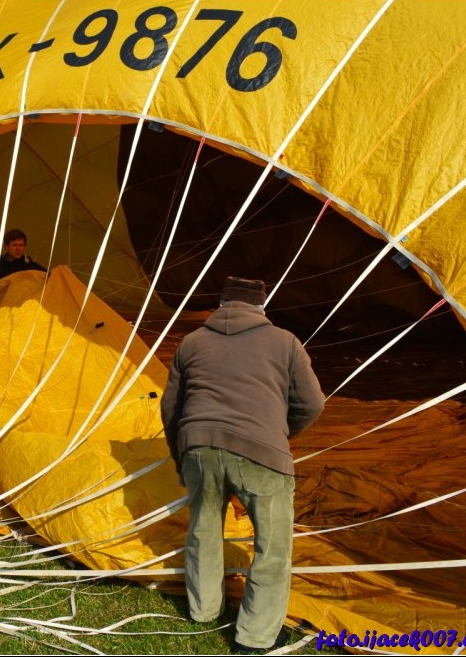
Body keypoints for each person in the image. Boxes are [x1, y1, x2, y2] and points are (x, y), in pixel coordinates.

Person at [160, 277, 324, 652]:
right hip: (261, 452)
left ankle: (203, 610)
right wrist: (280, 432)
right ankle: (255, 635)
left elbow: (170, 409)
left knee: (203, 529)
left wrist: (180, 457)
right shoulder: (285, 342)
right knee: (273, 544)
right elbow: (312, 402)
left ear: (220, 304)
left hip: (198, 446)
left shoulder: (191, 342)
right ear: (261, 307)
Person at [0, 228, 47, 306]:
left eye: (21, 245)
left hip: (24, 313)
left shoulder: (31, 266)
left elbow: (49, 280)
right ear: (6, 247)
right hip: (0, 313)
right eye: (15, 245)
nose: (18, 249)